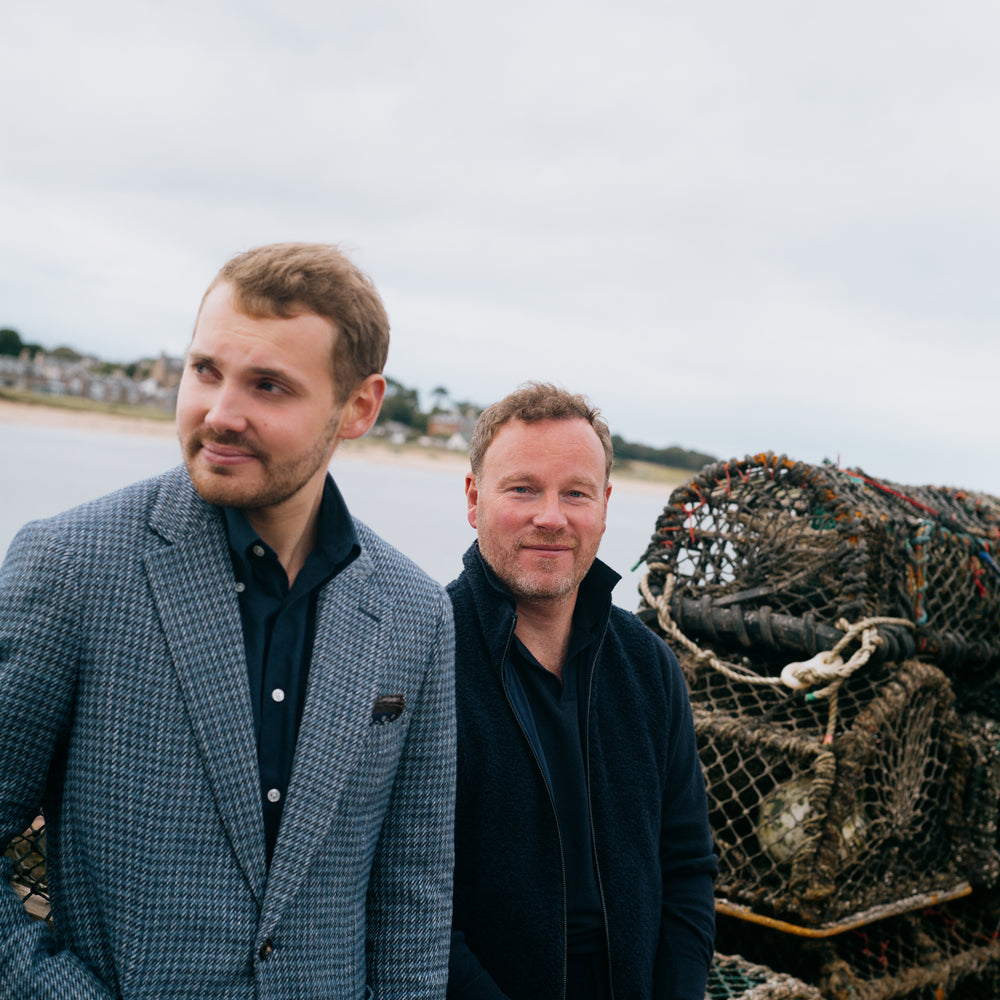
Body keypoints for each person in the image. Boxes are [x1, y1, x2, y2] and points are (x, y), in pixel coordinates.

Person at [0, 243, 456, 999]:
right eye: (205, 370)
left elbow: (413, 896)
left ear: (360, 408)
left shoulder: (416, 613)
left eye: (269, 386)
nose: (219, 413)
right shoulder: (69, 565)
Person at [446, 383, 716, 1000]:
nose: (551, 516)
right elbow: (402, 897)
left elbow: (687, 870)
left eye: (575, 493)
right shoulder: (421, 658)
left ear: (604, 505)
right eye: (522, 489)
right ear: (473, 497)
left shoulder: (648, 666)